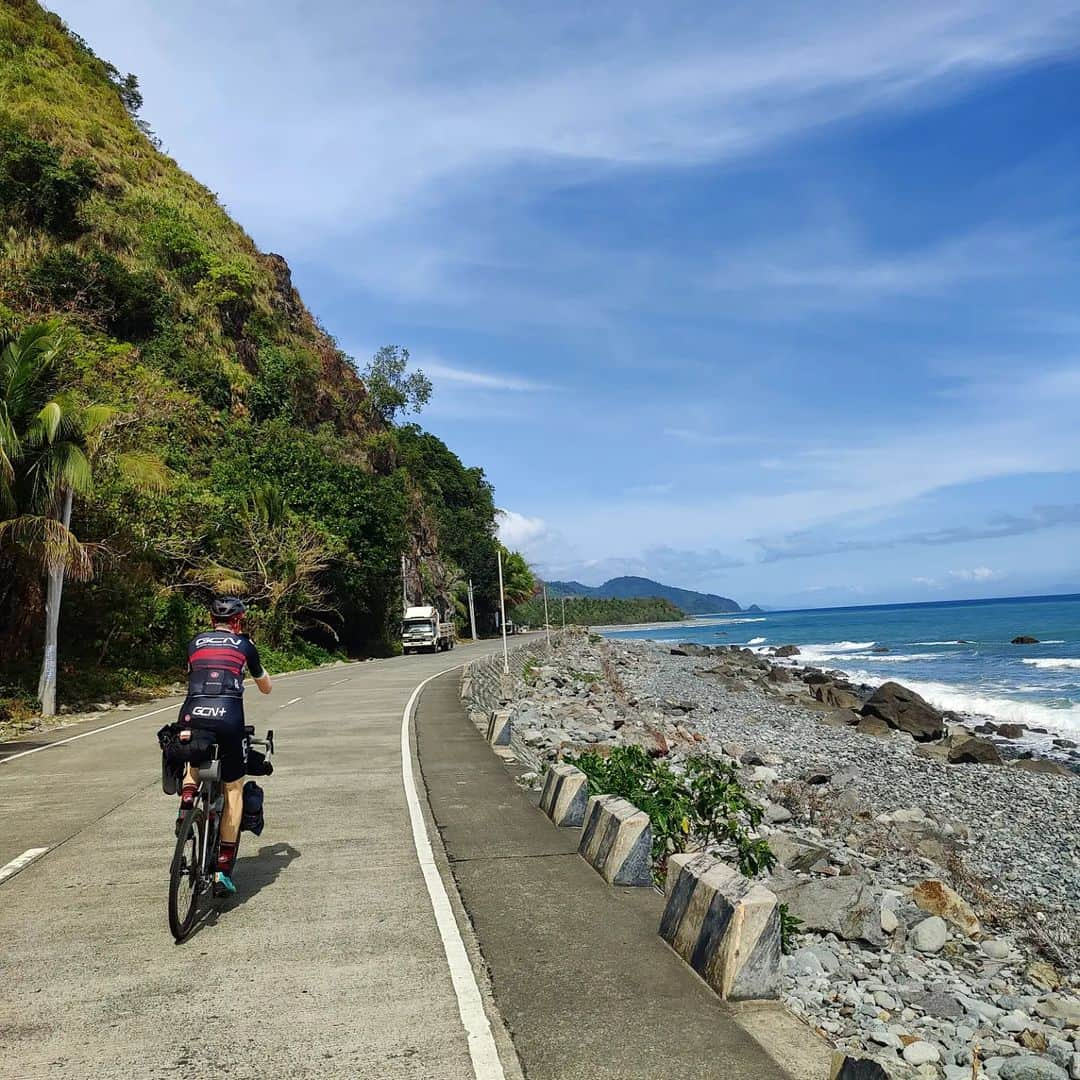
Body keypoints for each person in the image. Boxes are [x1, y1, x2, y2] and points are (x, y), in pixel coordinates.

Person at [176, 596, 272, 894]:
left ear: (210, 619)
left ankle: (187, 802)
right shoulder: (245, 645)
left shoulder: (194, 643)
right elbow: (266, 687)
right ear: (238, 621)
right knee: (233, 788)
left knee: (193, 756)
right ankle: (222, 869)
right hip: (229, 718)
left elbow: (192, 674)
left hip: (193, 712)